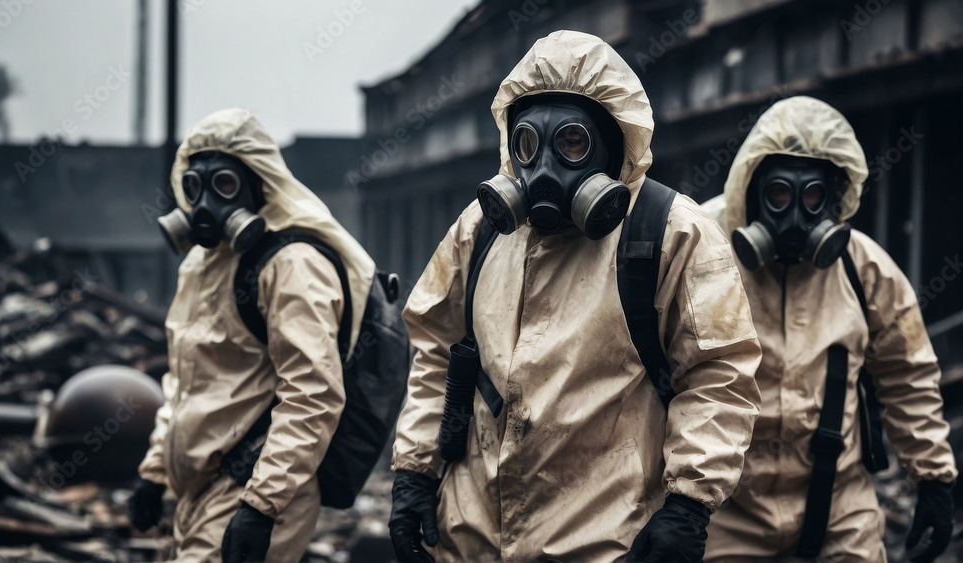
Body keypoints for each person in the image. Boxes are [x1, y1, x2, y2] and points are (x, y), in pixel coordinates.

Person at [388, 30, 763, 563]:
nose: (543, 169)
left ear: (614, 145)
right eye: (526, 145)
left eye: (571, 144)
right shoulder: (482, 229)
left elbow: (718, 377)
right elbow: (435, 356)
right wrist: (413, 475)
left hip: (604, 542)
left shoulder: (673, 232)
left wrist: (688, 506)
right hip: (470, 539)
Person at [701, 96, 957, 562]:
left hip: (838, 503)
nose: (794, 216)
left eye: (813, 197)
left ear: (837, 197)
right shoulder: (701, 250)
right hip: (724, 505)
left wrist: (934, 477)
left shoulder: (863, 269)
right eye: (778, 194)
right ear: (749, 190)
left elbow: (908, 375)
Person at [127, 108, 376, 562]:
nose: (204, 206)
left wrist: (263, 505)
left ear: (258, 185)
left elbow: (313, 394)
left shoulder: (292, 265)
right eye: (193, 187)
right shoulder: (202, 267)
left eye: (224, 185)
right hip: (199, 493)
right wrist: (155, 472)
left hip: (254, 486)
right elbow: (185, 385)